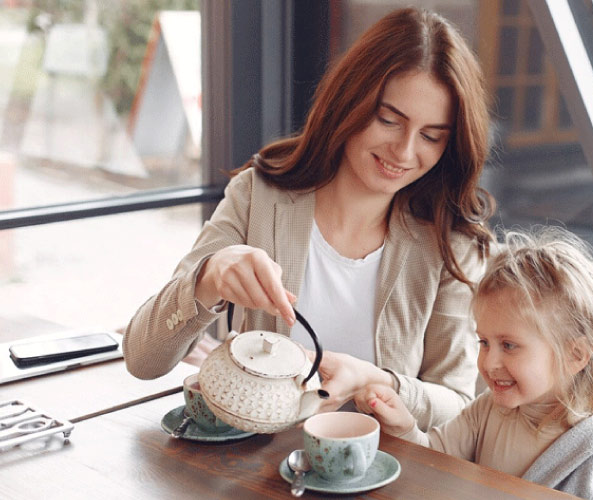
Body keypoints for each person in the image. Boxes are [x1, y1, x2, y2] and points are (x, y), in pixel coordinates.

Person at [122, 7, 495, 431]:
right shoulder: (258, 196)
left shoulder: (451, 243)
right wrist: (208, 278)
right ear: (350, 101)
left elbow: (459, 405)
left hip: (377, 477)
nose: (405, 152)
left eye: (432, 136)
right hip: (251, 468)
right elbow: (142, 359)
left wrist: (376, 382)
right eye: (389, 120)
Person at [357, 228, 593, 499]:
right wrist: (404, 429)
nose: (489, 361)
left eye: (509, 346)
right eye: (484, 342)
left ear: (575, 356)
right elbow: (434, 463)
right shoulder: (485, 412)